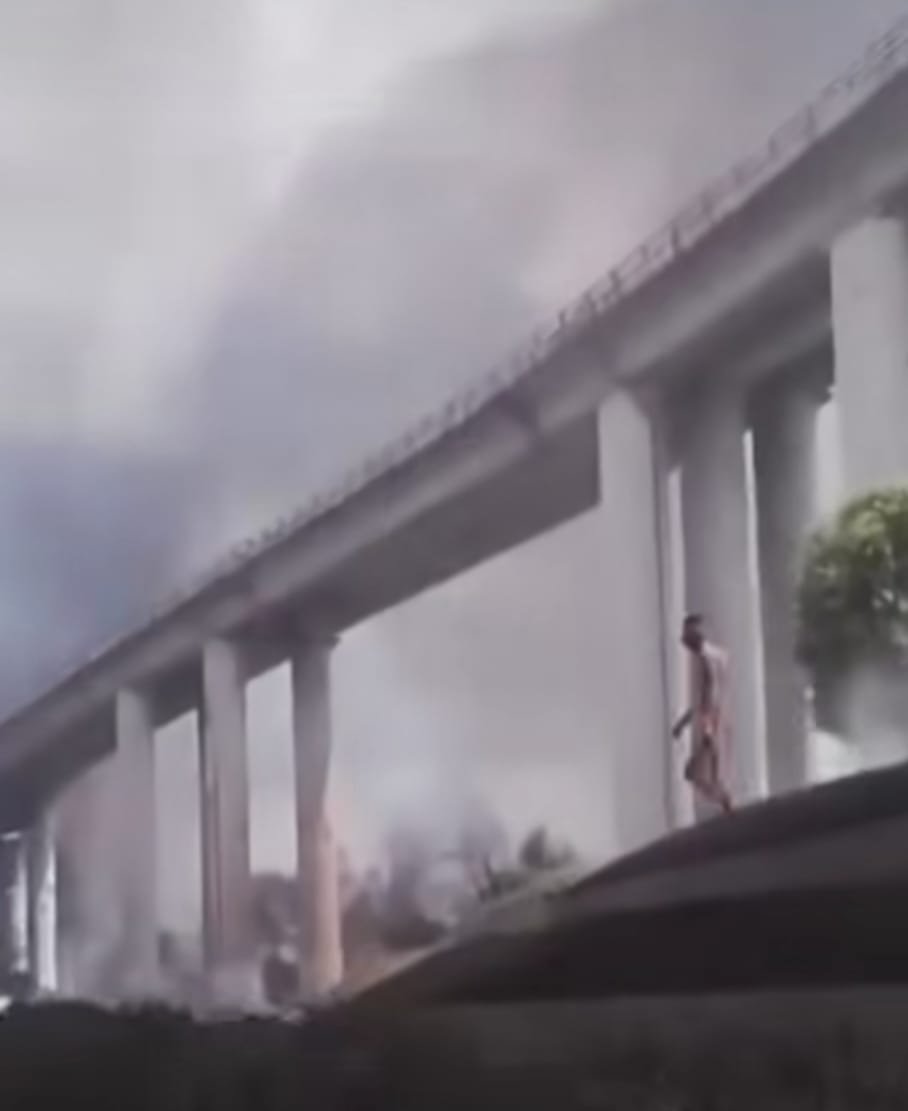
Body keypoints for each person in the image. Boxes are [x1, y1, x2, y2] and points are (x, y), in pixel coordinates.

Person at [672, 613, 733, 815]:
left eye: (686, 635)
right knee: (702, 775)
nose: (683, 640)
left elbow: (708, 701)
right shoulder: (712, 657)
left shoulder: (707, 662)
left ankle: (726, 803)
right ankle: (725, 803)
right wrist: (683, 723)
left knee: (694, 774)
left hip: (712, 730)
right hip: (714, 727)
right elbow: (704, 702)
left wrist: (707, 733)